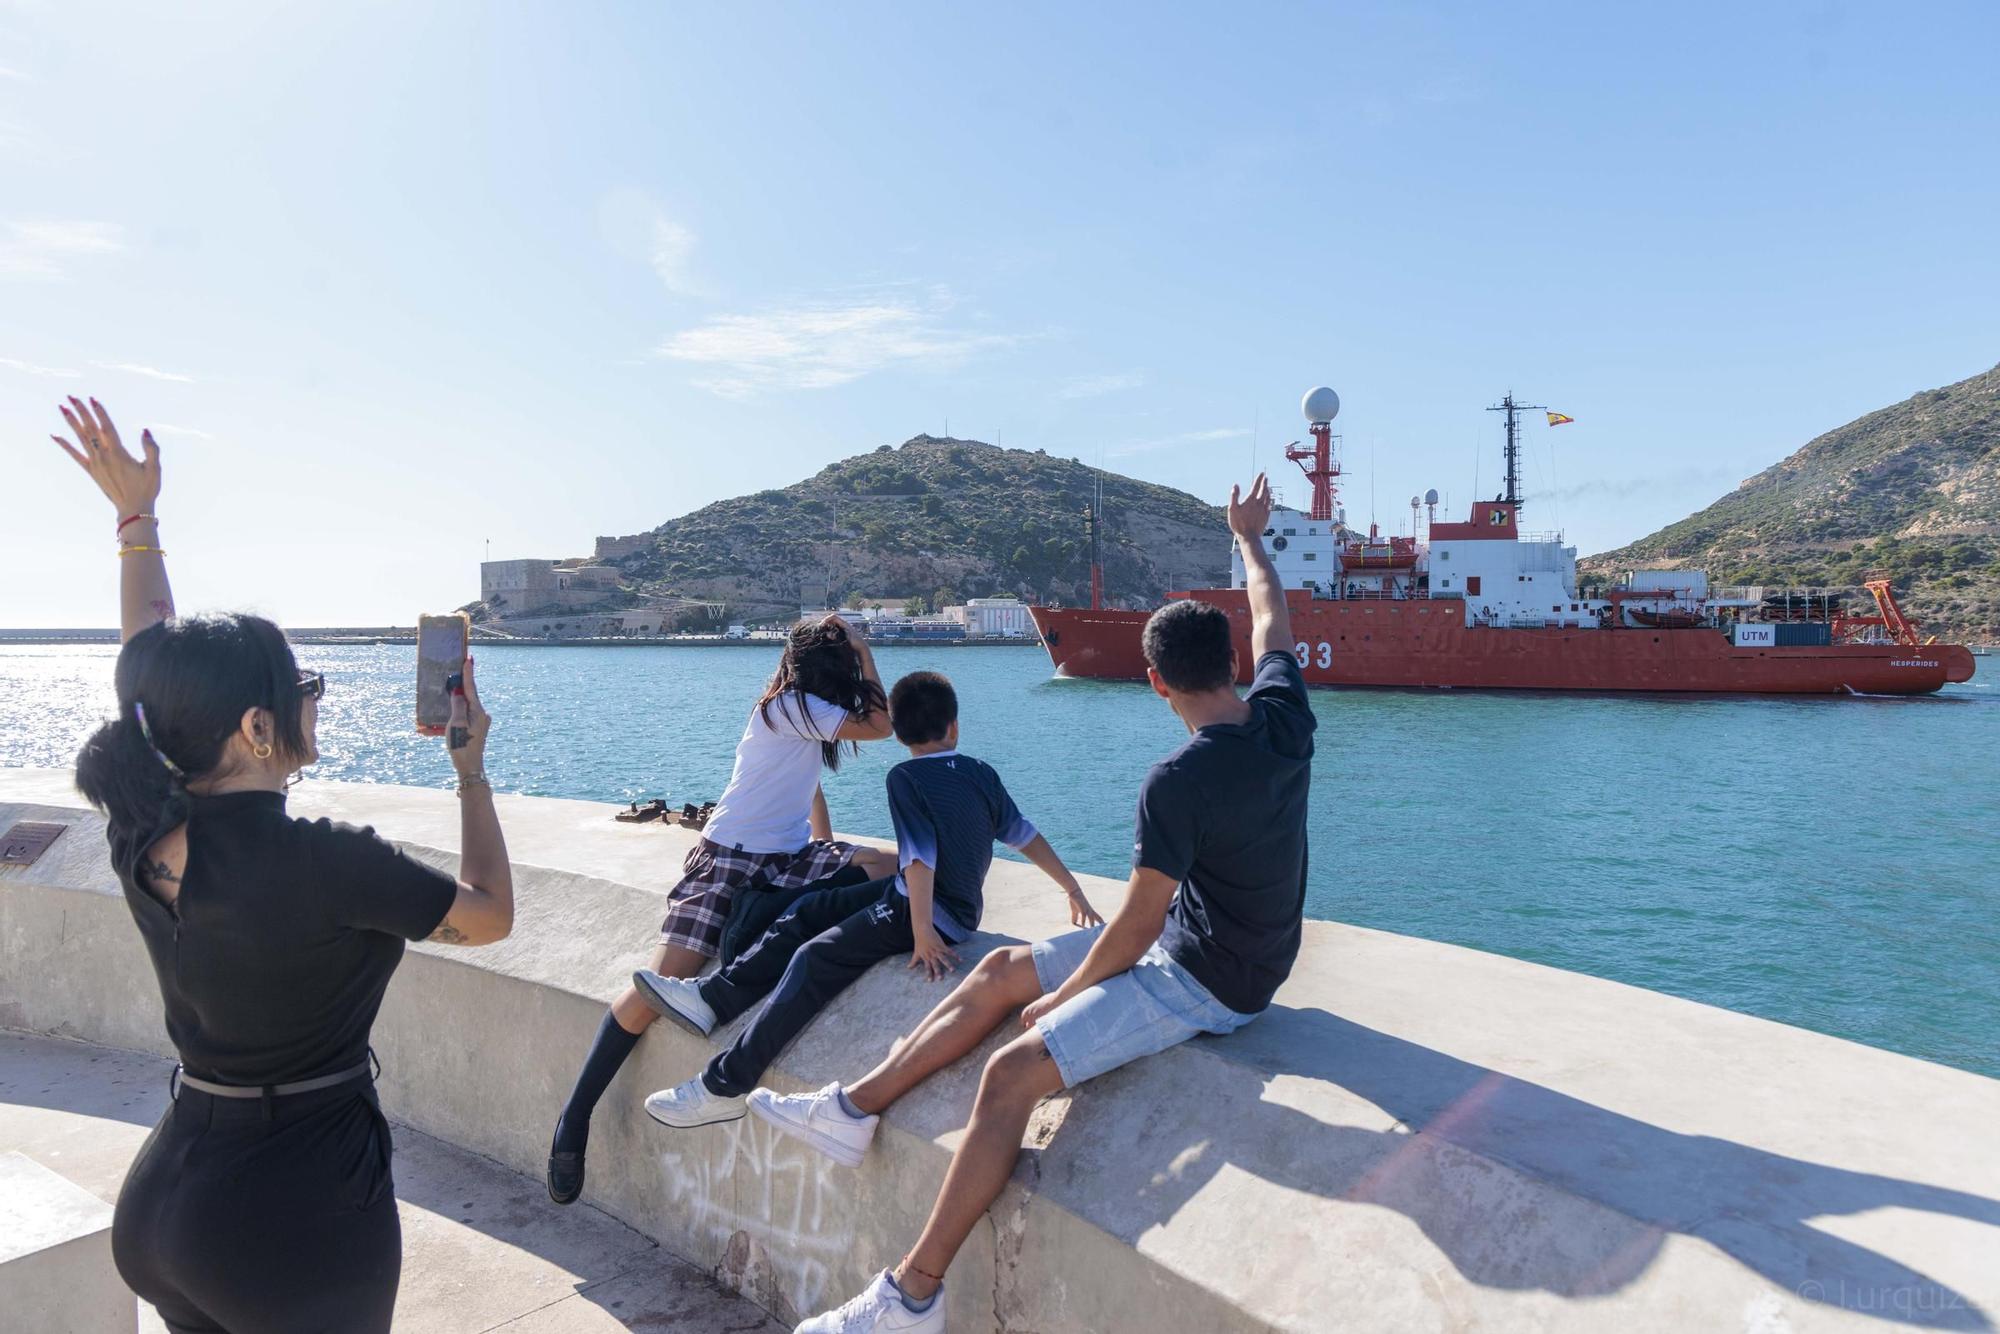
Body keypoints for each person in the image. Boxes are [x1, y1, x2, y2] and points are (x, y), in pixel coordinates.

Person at [758, 474, 1315, 1333]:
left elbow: (1133, 928)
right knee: (1003, 969)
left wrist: (1066, 997)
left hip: (1215, 979)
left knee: (1009, 1074)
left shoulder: (1178, 780)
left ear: (1155, 684)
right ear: (1232, 664)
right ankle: (852, 1109)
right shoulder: (1283, 717)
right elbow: (1273, 611)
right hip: (1202, 941)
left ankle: (911, 1295)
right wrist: (1248, 541)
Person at [49, 397, 516, 1334]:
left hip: (169, 1201)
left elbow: (151, 671)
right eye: (304, 687)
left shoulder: (138, 823)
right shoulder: (325, 863)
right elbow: (490, 915)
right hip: (293, 1223)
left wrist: (135, 525)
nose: (314, 701)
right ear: (258, 729)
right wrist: (471, 775)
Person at [632, 671, 1099, 1133]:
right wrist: (1071, 888)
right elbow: (1024, 835)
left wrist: (921, 931)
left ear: (897, 734)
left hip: (930, 912)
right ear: (954, 727)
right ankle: (713, 999)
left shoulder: (906, 777)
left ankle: (724, 1086)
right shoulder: (980, 773)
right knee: (807, 910)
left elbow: (920, 860)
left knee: (815, 959)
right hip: (918, 897)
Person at [546, 614, 898, 1203]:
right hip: (729, 858)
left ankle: (777, 920)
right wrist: (865, 654)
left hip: (786, 856)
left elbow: (807, 787)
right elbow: (882, 725)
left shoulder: (802, 715)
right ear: (827, 664)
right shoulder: (788, 704)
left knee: (889, 867)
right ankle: (573, 1119)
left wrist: (827, 853)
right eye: (846, 653)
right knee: (656, 990)